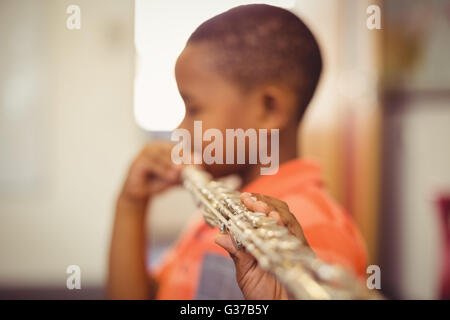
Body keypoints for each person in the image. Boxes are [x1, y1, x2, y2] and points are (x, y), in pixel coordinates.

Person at [108, 4, 367, 300]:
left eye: (194, 108)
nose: (181, 126)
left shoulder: (306, 228)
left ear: (269, 109)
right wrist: (131, 205)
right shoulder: (225, 206)